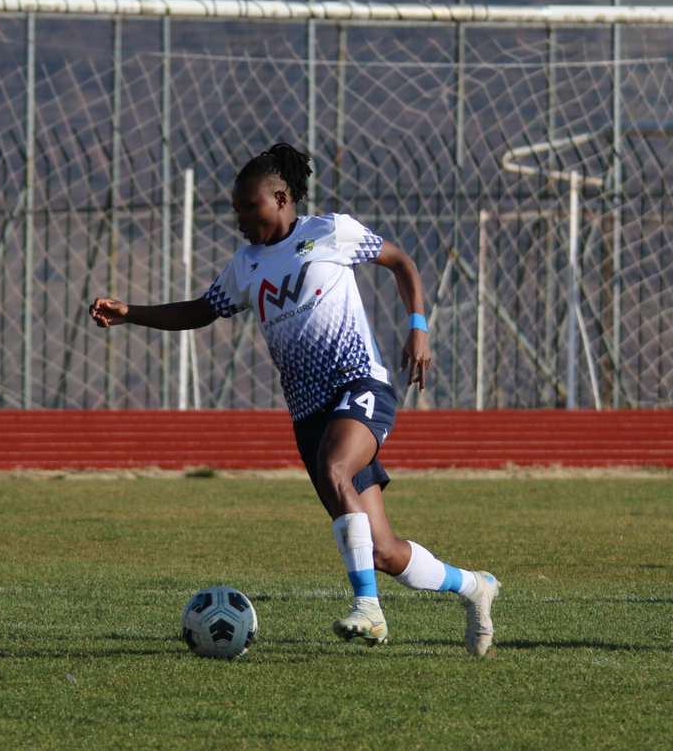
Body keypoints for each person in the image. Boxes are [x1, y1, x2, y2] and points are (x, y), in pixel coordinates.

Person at [89, 143, 500, 656]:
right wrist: (131, 313)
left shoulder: (330, 231)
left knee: (335, 469)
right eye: (236, 209)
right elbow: (200, 311)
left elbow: (401, 262)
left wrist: (418, 327)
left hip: (359, 385)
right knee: (383, 551)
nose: (240, 219)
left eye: (249, 206)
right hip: (310, 416)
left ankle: (369, 609)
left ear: (281, 199)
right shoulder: (246, 265)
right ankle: (474, 586)